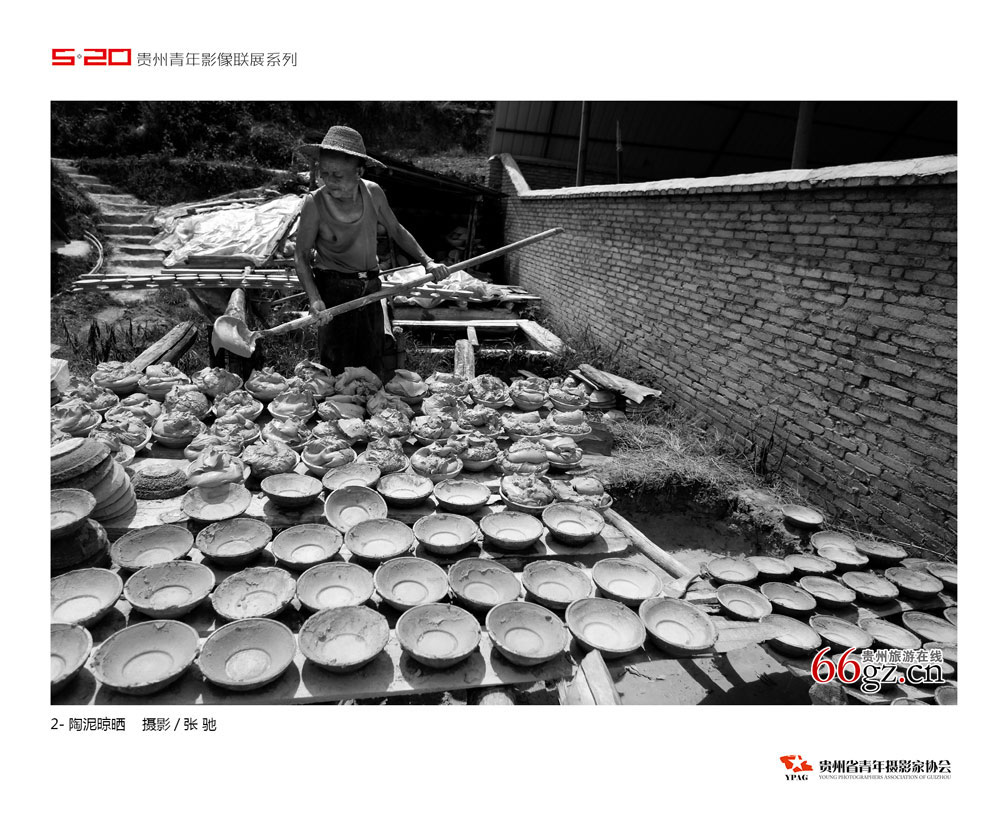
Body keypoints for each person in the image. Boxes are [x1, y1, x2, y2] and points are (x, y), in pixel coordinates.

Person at [294, 125, 450, 378]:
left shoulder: (373, 193)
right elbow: (300, 256)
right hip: (334, 289)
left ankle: (370, 400)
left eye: (337, 175)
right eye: (325, 174)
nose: (329, 181)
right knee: (336, 364)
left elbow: (396, 230)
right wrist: (314, 299)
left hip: (370, 287)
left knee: (371, 358)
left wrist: (428, 261)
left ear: (359, 172)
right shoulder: (314, 203)